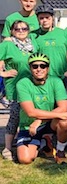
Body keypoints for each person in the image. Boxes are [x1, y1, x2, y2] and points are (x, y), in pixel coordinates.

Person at [15, 53, 67, 164]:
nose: (39, 69)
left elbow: (63, 107)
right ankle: (44, 143)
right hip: (29, 126)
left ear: (47, 68)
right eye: (35, 66)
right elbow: (30, 112)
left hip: (47, 123)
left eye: (43, 66)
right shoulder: (22, 83)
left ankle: (60, 150)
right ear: (30, 68)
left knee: (65, 122)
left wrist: (39, 120)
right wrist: (38, 119)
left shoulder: (56, 81)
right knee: (25, 160)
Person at [0, 20, 39, 160]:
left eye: (24, 28)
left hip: (33, 85)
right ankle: (8, 148)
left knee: (32, 114)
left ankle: (32, 141)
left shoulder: (33, 43)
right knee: (15, 116)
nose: (21, 31)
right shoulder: (7, 45)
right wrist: (3, 73)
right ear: (12, 31)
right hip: (15, 87)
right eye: (17, 29)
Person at [32, 4, 67, 90]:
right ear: (38, 19)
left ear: (52, 18)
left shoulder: (63, 33)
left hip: (63, 76)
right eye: (41, 18)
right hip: (43, 77)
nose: (45, 20)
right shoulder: (33, 35)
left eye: (47, 18)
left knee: (65, 102)